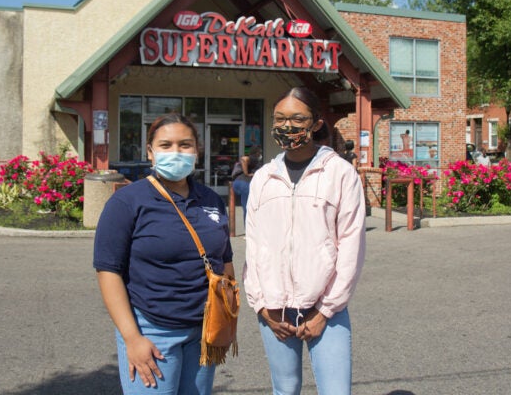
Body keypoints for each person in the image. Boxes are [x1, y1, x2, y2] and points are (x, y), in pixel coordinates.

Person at [93, 113, 234, 395]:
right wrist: (132, 338)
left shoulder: (210, 199)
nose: (176, 152)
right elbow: (108, 272)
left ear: (197, 150)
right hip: (152, 330)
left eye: (185, 145)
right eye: (166, 145)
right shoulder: (127, 201)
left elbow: (224, 261)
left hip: (204, 330)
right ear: (150, 152)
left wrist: (227, 319)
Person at [242, 86, 367, 395]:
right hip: (274, 310)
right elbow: (254, 246)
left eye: (298, 118)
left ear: (316, 123)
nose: (288, 126)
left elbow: (351, 247)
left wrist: (326, 309)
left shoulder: (340, 174)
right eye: (280, 118)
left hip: (327, 308)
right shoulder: (263, 178)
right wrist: (260, 306)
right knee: (285, 390)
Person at [230, 145, 263, 218]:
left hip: (239, 183)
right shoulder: (254, 158)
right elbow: (244, 159)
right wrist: (246, 173)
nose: (260, 154)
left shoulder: (255, 160)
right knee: (248, 209)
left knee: (249, 208)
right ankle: (248, 228)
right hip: (245, 184)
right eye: (259, 152)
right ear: (256, 152)